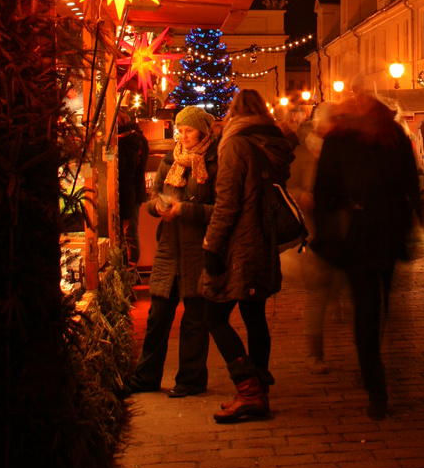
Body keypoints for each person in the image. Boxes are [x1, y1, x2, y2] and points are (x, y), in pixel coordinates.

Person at [312, 88, 421, 420]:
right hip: (356, 236)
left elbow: (410, 184)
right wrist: (331, 225)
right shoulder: (339, 139)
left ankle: (376, 369)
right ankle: (376, 385)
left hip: (387, 232)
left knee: (383, 308)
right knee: (366, 311)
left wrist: (412, 223)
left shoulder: (393, 137)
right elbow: (324, 190)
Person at [201, 89, 294, 422]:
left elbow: (227, 202)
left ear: (235, 111)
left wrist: (212, 246)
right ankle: (260, 393)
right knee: (255, 318)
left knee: (213, 315)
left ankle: (249, 391)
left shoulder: (236, 143)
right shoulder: (273, 143)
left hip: (239, 244)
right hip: (263, 243)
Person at [127, 106, 218, 398]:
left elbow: (222, 209)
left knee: (195, 320)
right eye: (179, 130)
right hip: (169, 250)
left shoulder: (214, 163)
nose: (182, 135)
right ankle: (146, 378)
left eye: (188, 130)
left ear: (202, 132)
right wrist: (159, 207)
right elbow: (152, 199)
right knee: (157, 319)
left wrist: (186, 210)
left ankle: (191, 380)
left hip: (199, 251)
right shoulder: (170, 160)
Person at [287, 101, 342, 373]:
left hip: (341, 231)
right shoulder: (301, 155)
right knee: (317, 294)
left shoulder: (344, 153)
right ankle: (314, 353)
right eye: (329, 122)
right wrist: (302, 196)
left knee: (340, 289)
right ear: (318, 124)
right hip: (313, 234)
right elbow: (288, 189)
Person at [117, 111, 149, 269]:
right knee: (130, 232)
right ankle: (131, 268)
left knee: (127, 233)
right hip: (134, 191)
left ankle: (129, 269)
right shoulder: (138, 139)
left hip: (126, 192)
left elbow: (121, 170)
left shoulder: (123, 141)